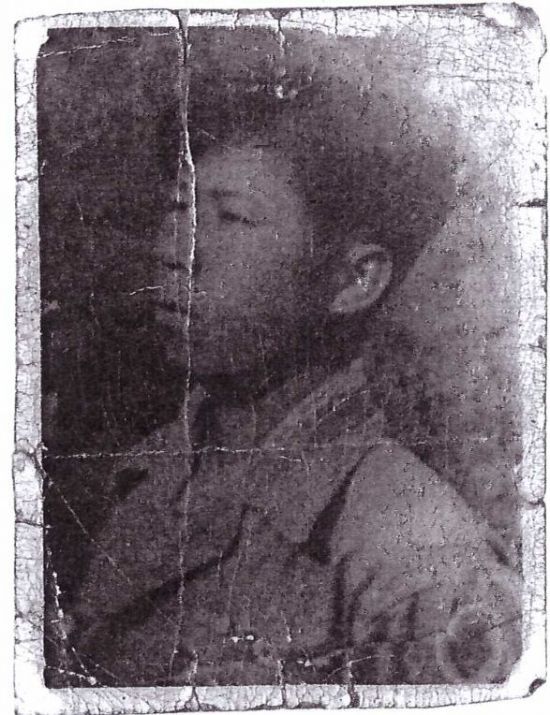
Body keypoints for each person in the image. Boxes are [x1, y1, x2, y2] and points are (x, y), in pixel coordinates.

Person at [69, 27, 521, 686]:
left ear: (354, 280)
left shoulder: (416, 557)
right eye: (179, 207)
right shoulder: (150, 470)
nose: (177, 251)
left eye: (233, 218)